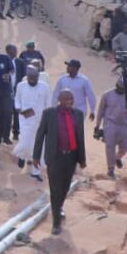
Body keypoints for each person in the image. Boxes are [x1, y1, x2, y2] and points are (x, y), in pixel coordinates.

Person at [32, 90, 86, 235]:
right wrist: (36, 156)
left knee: (65, 187)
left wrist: (82, 159)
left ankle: (58, 207)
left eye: (71, 98)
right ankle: (56, 223)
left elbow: (80, 137)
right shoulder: (49, 114)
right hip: (55, 157)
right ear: (59, 100)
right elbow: (40, 134)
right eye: (67, 99)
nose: (70, 101)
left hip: (71, 157)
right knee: (55, 189)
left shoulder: (78, 115)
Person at [14, 65, 50, 180]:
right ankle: (22, 155)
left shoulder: (44, 87)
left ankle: (35, 172)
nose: (32, 80)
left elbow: (48, 104)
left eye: (34, 78)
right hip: (25, 120)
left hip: (40, 120)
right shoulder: (21, 86)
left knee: (39, 146)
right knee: (24, 142)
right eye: (30, 78)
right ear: (27, 76)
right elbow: (17, 101)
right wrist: (20, 110)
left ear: (38, 76)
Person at [95, 78, 127, 178]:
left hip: (124, 124)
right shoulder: (107, 95)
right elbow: (101, 111)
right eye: (119, 88)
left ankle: (117, 157)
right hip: (111, 123)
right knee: (110, 147)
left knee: (125, 146)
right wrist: (97, 125)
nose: (121, 91)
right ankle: (110, 169)